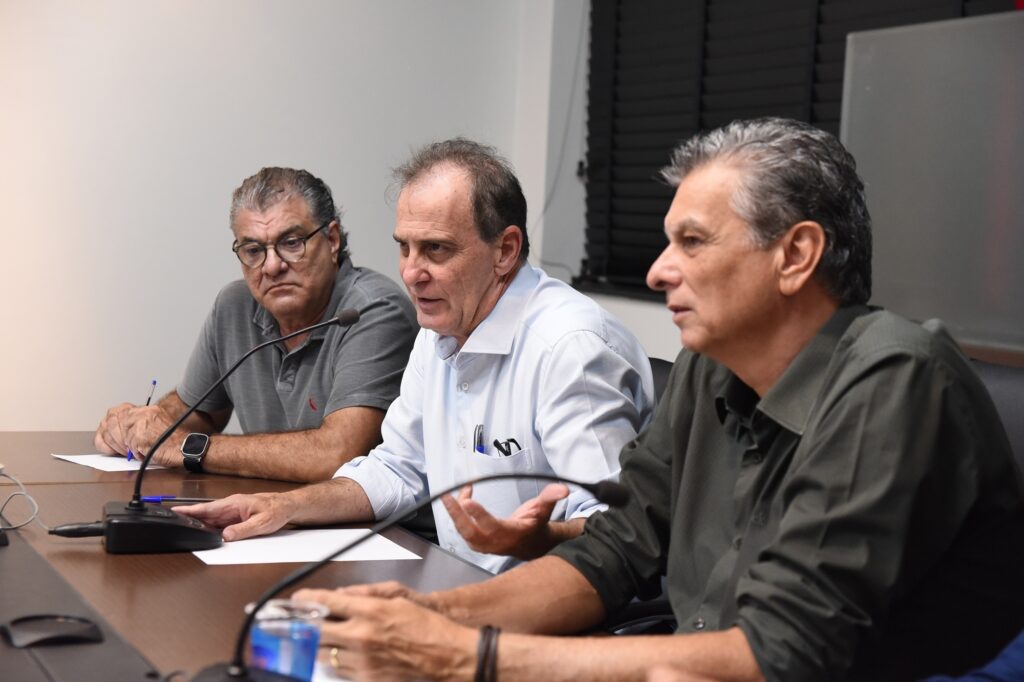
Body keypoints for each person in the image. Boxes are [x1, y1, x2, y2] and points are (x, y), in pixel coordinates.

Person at [287, 119, 1024, 681]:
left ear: (796, 255)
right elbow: (615, 550)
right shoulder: (711, 366)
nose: (657, 272)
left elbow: (783, 650)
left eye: (693, 242)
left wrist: (464, 656)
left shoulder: (897, 374)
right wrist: (423, 615)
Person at [178, 139, 656, 572]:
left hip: (558, 611)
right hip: (461, 582)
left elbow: (613, 529)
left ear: (505, 250)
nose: (411, 273)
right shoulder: (442, 327)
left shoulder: (570, 348)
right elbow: (397, 468)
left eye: (436, 250)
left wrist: (540, 538)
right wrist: (287, 507)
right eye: (404, 248)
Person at [94, 168, 418, 482]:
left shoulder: (374, 310)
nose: (272, 266)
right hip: (267, 518)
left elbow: (336, 455)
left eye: (292, 242)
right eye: (253, 250)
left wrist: (185, 447)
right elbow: (201, 413)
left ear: (332, 239)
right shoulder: (235, 306)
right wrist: (136, 426)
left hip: (371, 530)